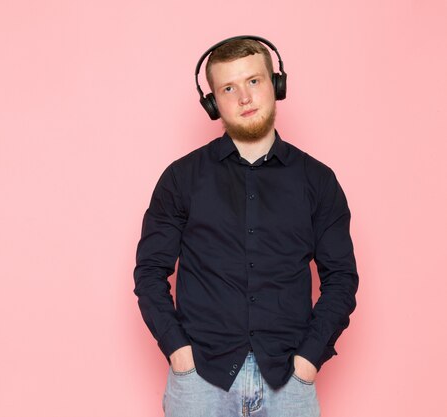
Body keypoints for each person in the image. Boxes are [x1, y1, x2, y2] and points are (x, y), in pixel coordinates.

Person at [133, 36, 359, 417]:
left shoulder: (318, 181)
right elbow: (150, 272)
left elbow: (341, 278)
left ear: (276, 84)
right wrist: (178, 353)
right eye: (228, 88)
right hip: (200, 381)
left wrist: (308, 361)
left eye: (254, 81)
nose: (244, 97)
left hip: (289, 382)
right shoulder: (180, 178)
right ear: (212, 103)